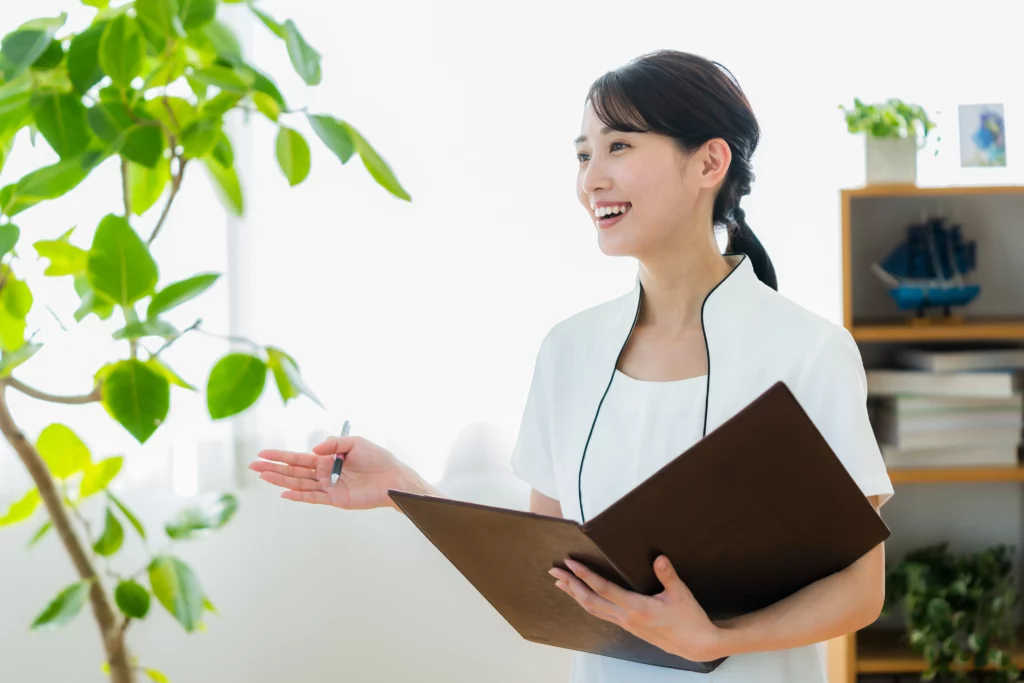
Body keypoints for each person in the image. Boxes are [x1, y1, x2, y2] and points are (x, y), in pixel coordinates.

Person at [250, 49, 894, 683]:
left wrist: (718, 637)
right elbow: (554, 572)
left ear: (709, 161)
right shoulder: (569, 351)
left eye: (619, 147)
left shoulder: (808, 352)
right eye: (584, 154)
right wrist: (408, 491)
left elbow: (861, 590)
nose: (591, 180)